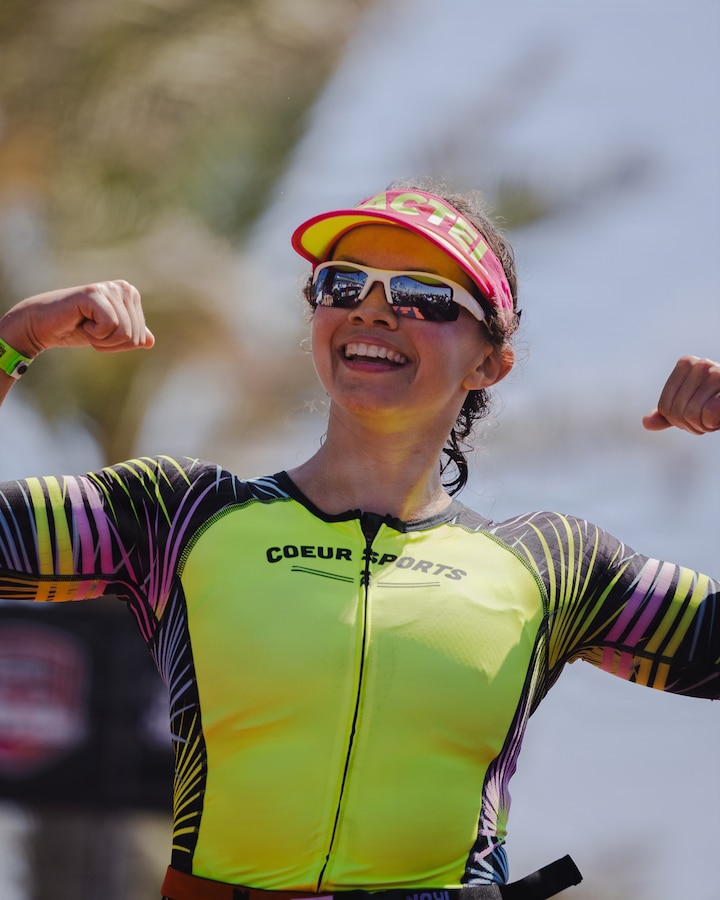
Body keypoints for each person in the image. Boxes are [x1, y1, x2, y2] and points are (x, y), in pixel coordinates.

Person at [0, 184, 718, 900]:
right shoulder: (176, 515)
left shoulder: (556, 566)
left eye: (422, 295)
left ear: (489, 363)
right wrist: (13, 340)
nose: (372, 309)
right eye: (343, 285)